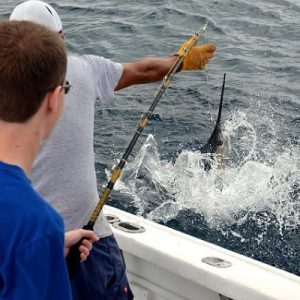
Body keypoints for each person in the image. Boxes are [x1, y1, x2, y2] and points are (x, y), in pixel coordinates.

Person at [10, 1, 217, 299]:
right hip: (86, 243)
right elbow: (144, 70)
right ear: (59, 39)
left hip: (32, 246)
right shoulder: (83, 70)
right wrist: (181, 60)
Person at [0, 20, 98, 299]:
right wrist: (39, 246)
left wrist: (51, 247)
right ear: (54, 100)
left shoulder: (36, 232)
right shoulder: (34, 224)